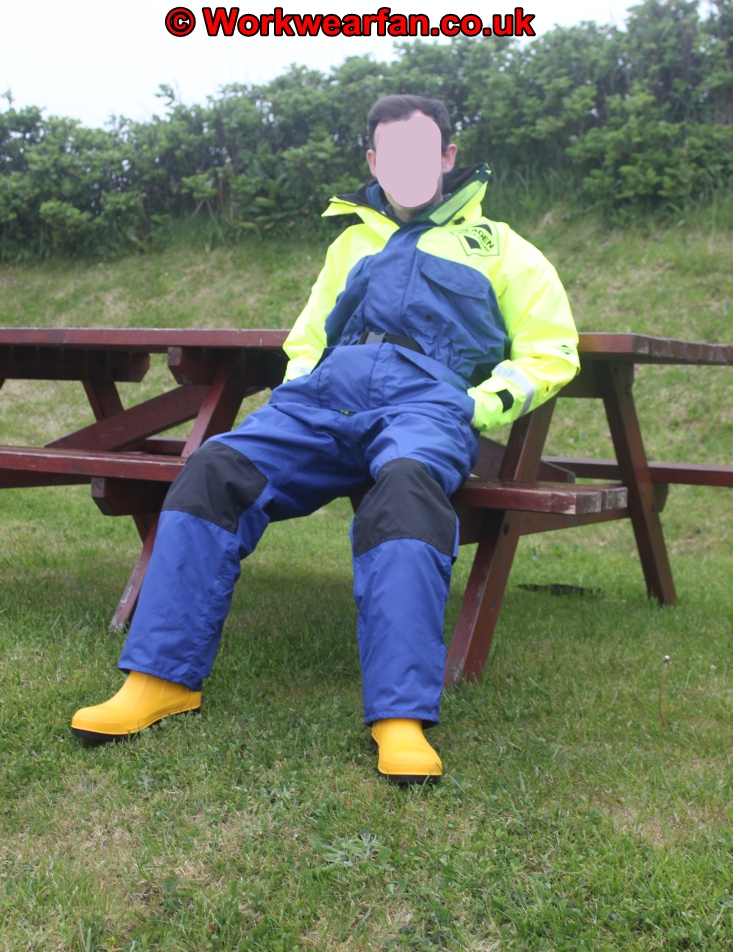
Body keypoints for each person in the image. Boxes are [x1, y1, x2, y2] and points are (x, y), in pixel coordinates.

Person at [71, 95, 579, 782]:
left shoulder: (503, 248)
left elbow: (550, 351)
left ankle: (399, 718)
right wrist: (301, 389)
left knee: (406, 489)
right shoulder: (350, 243)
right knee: (216, 465)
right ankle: (158, 679)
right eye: (392, 154)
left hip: (426, 403)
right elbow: (308, 335)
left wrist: (476, 404)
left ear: (447, 157)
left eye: (421, 152)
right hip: (323, 398)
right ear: (373, 161)